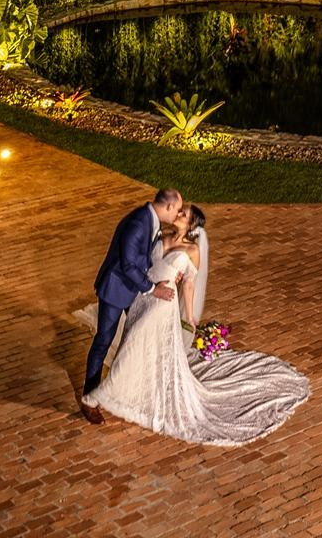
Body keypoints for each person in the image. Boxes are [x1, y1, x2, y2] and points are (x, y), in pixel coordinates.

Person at [80, 203, 309, 445]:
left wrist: (189, 316)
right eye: (180, 211)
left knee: (133, 343)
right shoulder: (160, 235)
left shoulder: (192, 250)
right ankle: (133, 389)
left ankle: (99, 396)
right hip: (142, 298)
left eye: (184, 214)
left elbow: (189, 284)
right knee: (136, 342)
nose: (178, 213)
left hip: (163, 303)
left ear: (191, 225)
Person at [81, 187, 184, 420]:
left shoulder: (151, 220)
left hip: (135, 288)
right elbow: (128, 265)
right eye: (177, 209)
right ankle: (88, 397)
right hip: (116, 289)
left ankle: (129, 388)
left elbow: (147, 257)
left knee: (139, 335)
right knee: (104, 340)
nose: (177, 214)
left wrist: (170, 271)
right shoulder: (138, 223)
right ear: (168, 206)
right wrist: (153, 289)